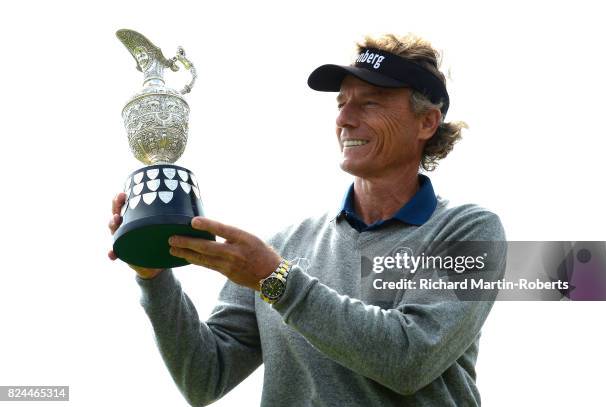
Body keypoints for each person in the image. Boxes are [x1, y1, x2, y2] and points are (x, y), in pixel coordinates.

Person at [108, 33, 507, 406]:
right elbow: (204, 377)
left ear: (427, 122)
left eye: (370, 103)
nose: (344, 119)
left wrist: (275, 281)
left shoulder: (472, 231)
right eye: (341, 103)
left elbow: (409, 359)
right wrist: (155, 278)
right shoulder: (283, 247)